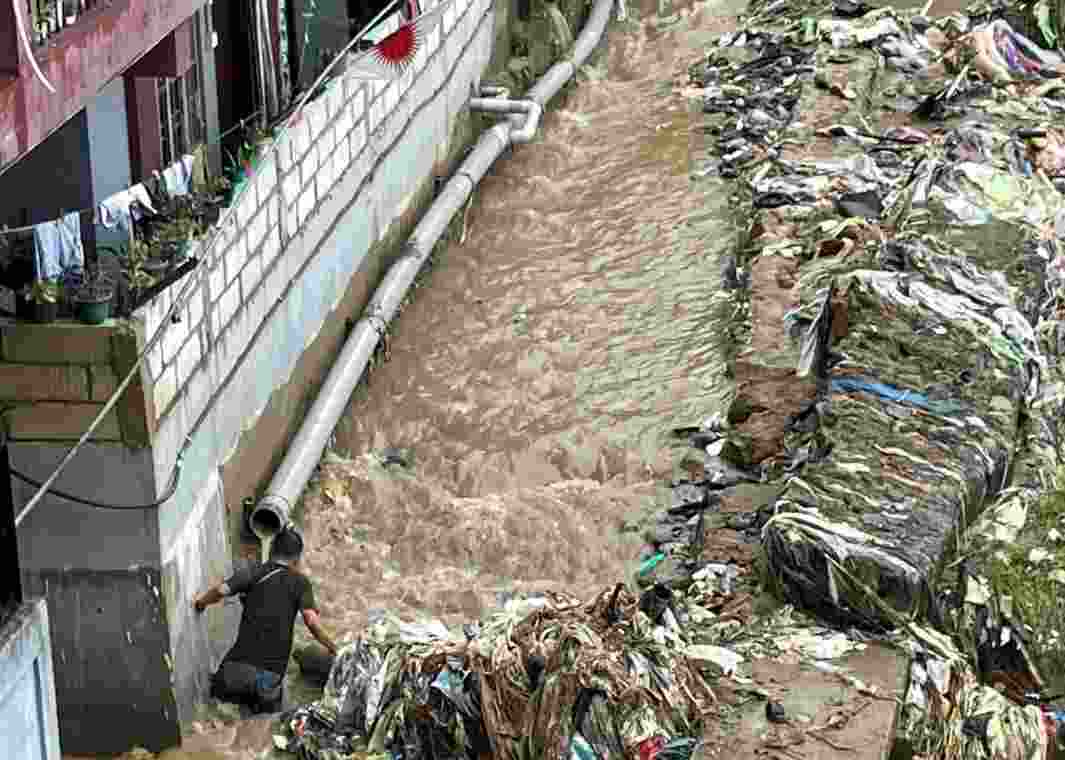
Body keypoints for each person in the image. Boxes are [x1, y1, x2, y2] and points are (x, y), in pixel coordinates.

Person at [192, 527, 338, 713]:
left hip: (234, 674)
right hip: (267, 681)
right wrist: (333, 648)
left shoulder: (253, 572)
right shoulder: (300, 583)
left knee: (219, 712)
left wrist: (200, 603)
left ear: (270, 551)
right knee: (265, 725)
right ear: (297, 559)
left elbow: (221, 591)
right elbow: (311, 620)